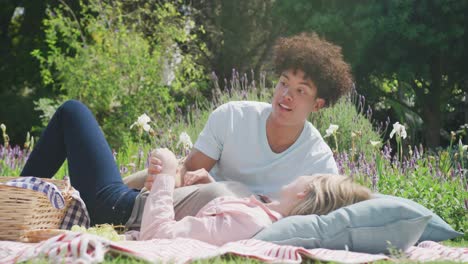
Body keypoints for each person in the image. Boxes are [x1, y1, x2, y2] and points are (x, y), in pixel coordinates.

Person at [124, 32, 354, 227]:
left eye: (300, 91)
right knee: (137, 182)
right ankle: (113, 192)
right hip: (194, 198)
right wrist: (168, 176)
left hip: (231, 217)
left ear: (317, 105)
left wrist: (222, 190)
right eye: (284, 83)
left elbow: (317, 221)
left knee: (223, 191)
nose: (286, 96)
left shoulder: (318, 162)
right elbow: (188, 172)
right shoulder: (233, 116)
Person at [135, 148, 370, 245]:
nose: (303, 175)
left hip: (126, 210)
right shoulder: (262, 214)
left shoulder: (252, 221)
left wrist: (166, 173)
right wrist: (212, 188)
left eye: (310, 176)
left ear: (304, 192)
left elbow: (158, 235)